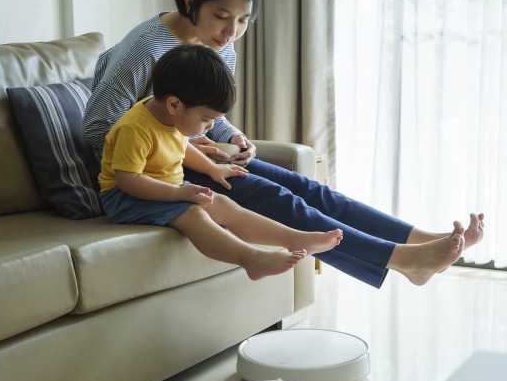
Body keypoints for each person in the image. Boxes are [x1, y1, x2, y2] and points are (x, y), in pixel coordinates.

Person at [84, 0, 482, 288]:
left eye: (242, 21)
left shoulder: (219, 48)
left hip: (184, 154)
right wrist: (183, 143)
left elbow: (210, 114)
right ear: (190, 2)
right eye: (222, 16)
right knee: (278, 198)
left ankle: (414, 239)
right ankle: (402, 260)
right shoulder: (145, 47)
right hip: (142, 174)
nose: (231, 31)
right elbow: (97, 129)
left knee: (308, 187)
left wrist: (234, 138)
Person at [99, 43, 343, 281]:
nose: (211, 127)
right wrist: (179, 194)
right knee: (194, 214)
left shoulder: (169, 117)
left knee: (225, 205)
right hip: (125, 197)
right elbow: (128, 179)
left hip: (165, 188)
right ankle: (251, 259)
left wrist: (212, 168)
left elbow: (181, 146)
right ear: (175, 104)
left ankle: (294, 238)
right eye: (206, 119)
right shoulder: (135, 128)